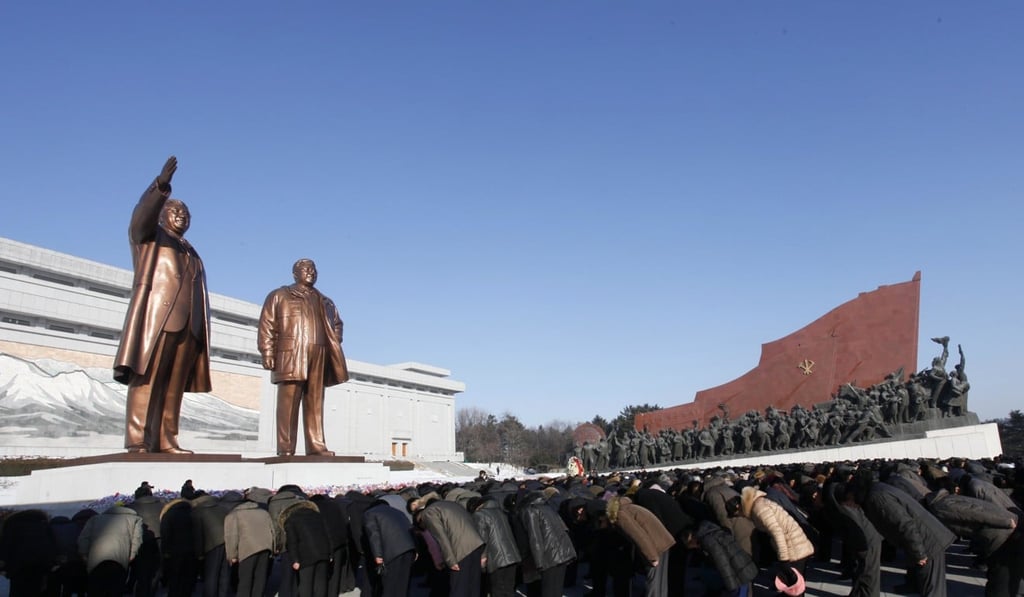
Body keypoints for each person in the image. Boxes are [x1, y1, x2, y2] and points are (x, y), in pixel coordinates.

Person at [113, 156, 211, 454]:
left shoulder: (191, 250)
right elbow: (140, 217)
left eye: (186, 212)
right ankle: (137, 439)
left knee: (173, 386)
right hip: (159, 319)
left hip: (189, 326)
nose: (182, 215)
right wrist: (161, 186)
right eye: (175, 210)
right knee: (147, 379)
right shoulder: (148, 238)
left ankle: (167, 440)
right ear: (161, 214)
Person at [258, 259, 348, 456]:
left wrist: (335, 339)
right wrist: (267, 352)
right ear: (294, 274)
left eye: (314, 269)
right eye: (305, 269)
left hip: (320, 354)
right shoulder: (279, 295)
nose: (311, 272)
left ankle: (316, 445)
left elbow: (338, 324)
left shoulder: (326, 301)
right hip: (292, 353)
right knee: (288, 403)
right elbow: (267, 325)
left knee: (315, 402)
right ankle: (286, 448)